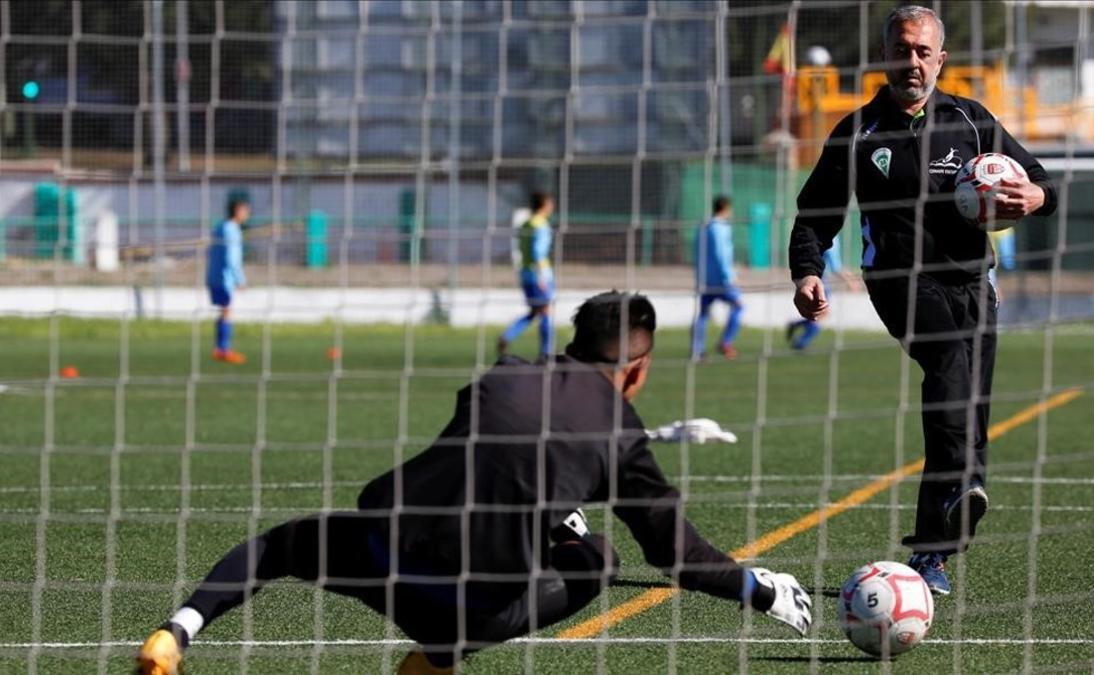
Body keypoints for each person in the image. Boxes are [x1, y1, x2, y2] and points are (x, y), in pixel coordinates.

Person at [137, 291, 812, 675]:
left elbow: (487, 458)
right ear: (638, 368)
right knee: (600, 557)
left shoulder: (501, 374)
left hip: (383, 551)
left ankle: (174, 634)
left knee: (281, 545)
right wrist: (759, 588)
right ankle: (436, 661)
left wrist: (550, 505)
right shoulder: (621, 434)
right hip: (467, 608)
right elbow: (677, 556)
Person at [788, 5, 1057, 595]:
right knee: (948, 365)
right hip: (900, 280)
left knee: (971, 411)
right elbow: (816, 214)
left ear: (941, 58)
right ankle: (959, 493)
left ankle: (934, 552)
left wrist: (1034, 194)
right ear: (885, 56)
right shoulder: (858, 131)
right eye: (901, 50)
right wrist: (808, 272)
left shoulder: (971, 120)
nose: (911, 61)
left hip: (974, 282)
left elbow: (1040, 180)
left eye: (921, 51)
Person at [498, 192, 556, 360]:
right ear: (544, 204)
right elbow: (538, 252)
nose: (552, 206)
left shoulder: (525, 224)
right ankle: (546, 353)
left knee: (534, 311)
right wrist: (541, 277)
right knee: (546, 310)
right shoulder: (540, 224)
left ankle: (508, 335)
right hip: (539, 274)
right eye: (550, 203)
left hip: (525, 273)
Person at [785, 233, 861, 351]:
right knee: (821, 314)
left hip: (820, 280)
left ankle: (796, 328)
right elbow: (836, 267)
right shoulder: (831, 237)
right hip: (819, 282)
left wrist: (851, 279)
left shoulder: (826, 233)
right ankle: (800, 343)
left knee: (820, 314)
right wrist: (850, 282)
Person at [692, 196, 743, 360]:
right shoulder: (719, 227)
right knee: (739, 306)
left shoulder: (704, 226)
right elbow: (721, 254)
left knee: (703, 314)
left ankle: (698, 350)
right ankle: (725, 342)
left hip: (705, 279)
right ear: (726, 208)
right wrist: (729, 276)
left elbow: (697, 252)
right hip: (721, 280)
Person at [206, 198, 249, 364]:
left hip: (213, 275)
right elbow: (232, 258)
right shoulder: (232, 230)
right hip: (225, 278)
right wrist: (240, 279)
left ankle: (220, 348)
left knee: (224, 310)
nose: (247, 214)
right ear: (237, 210)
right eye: (245, 210)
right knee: (227, 311)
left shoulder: (220, 227)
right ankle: (223, 349)